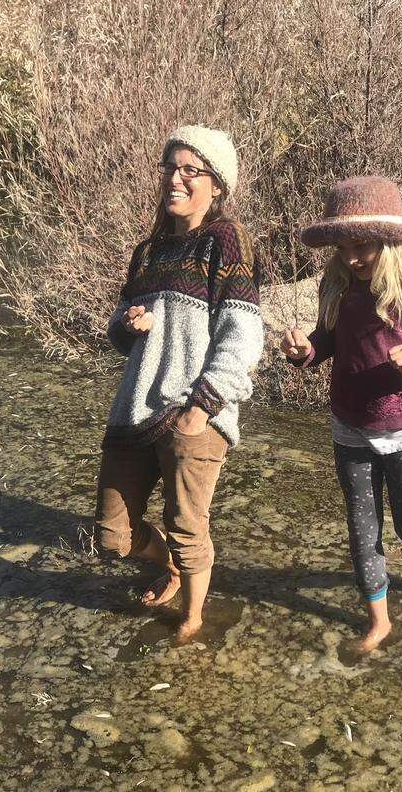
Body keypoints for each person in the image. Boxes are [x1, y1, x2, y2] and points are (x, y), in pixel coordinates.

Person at [281, 175, 402, 653]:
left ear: (390, 242)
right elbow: (328, 341)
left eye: (362, 246)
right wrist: (306, 350)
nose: (351, 257)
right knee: (362, 529)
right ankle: (379, 621)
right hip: (349, 425)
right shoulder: (338, 282)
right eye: (342, 246)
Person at [96, 124, 263, 642]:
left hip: (195, 410)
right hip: (135, 409)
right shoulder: (147, 251)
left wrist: (205, 403)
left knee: (190, 528)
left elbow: (243, 331)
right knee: (111, 536)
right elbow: (119, 333)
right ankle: (169, 564)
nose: (176, 178)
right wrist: (126, 327)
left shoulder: (224, 239)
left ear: (216, 185)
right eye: (171, 167)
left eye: (191, 169)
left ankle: (192, 620)